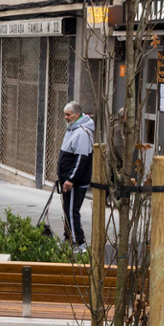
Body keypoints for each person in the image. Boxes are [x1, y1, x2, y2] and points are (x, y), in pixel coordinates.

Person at [57, 101, 94, 252]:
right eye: (65, 114)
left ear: (77, 115)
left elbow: (81, 159)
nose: (66, 117)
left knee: (72, 212)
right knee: (68, 211)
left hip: (75, 182)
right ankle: (69, 238)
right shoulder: (72, 130)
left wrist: (71, 179)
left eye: (68, 114)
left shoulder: (81, 133)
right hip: (69, 181)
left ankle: (79, 244)